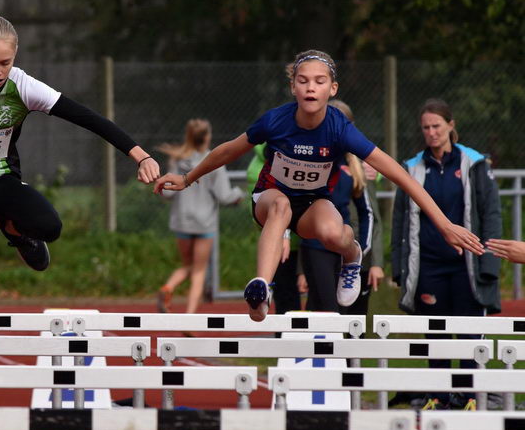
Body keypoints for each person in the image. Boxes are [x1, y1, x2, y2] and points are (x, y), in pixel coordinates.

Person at [154, 50, 483, 322]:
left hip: (313, 204)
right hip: (270, 198)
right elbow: (228, 150)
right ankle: (261, 288)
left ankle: (352, 256)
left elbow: (399, 174)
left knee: (331, 233)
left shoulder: (340, 129)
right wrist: (187, 178)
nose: (311, 88)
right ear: (293, 87)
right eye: (303, 81)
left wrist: (443, 224)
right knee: (280, 206)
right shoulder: (275, 121)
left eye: (319, 81)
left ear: (332, 89)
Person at [0, 2, 160, 330]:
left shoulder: (24, 87)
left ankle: (14, 231)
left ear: (15, 55)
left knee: (50, 227)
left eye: (5, 63)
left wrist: (141, 156)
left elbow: (88, 118)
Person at [391, 98, 501, 409]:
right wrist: (399, 267)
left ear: (451, 126)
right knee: (435, 333)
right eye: (426, 127)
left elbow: (491, 213)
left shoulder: (474, 164)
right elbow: (400, 220)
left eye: (437, 126)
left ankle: (468, 396)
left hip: (467, 266)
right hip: (428, 265)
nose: (431, 132)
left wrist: (488, 261)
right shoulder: (412, 168)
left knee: (469, 333)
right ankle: (437, 395)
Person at [297, 100, 384, 314]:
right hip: (316, 247)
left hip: (345, 249)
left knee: (345, 312)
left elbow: (368, 213)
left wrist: (362, 250)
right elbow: (292, 205)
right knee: (326, 308)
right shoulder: (309, 158)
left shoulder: (355, 167)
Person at [156, 119, 242, 314]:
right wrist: (238, 195)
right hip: (205, 223)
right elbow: (224, 195)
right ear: (207, 137)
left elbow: (168, 193)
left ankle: (168, 287)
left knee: (187, 265)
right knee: (199, 270)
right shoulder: (215, 161)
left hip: (182, 221)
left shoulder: (178, 160)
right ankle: (189, 316)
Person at [247, 142, 301, 314]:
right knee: (286, 293)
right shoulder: (259, 168)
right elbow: (277, 204)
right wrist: (284, 234)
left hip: (303, 237)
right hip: (279, 237)